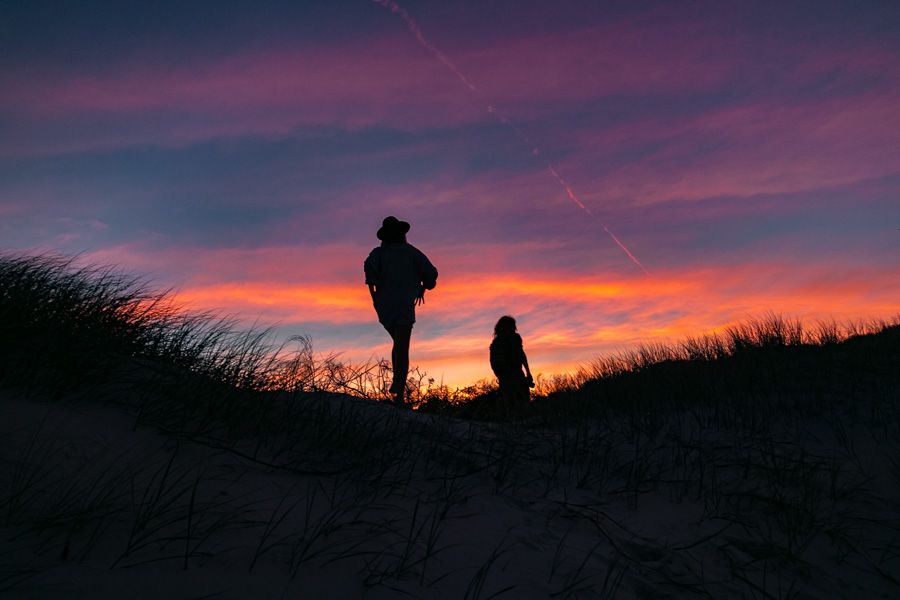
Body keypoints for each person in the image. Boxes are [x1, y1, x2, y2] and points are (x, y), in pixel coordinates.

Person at [364, 216, 438, 406]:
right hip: (403, 304)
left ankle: (398, 390)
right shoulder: (411, 252)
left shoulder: (377, 254)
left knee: (398, 343)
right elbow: (431, 274)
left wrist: (376, 301)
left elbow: (370, 279)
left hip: (384, 306)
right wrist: (424, 286)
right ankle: (399, 389)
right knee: (402, 345)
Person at [489, 316, 534, 411]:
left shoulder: (516, 338)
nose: (514, 328)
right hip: (506, 376)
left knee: (524, 400)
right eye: (512, 326)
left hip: (518, 373)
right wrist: (503, 375)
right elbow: (494, 363)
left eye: (514, 326)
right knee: (511, 403)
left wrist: (528, 372)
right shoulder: (497, 343)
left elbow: (521, 354)